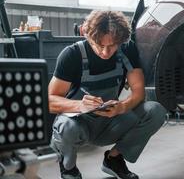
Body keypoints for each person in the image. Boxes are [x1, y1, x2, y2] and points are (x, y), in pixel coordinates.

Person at [48, 10, 166, 179]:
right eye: (99, 45)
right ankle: (69, 170)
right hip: (79, 124)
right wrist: (79, 105)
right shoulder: (71, 55)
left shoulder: (127, 49)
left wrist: (122, 107)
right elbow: (49, 101)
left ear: (121, 40)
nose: (105, 52)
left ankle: (114, 159)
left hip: (111, 121)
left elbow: (138, 92)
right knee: (66, 126)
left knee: (155, 111)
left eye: (111, 46)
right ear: (88, 37)